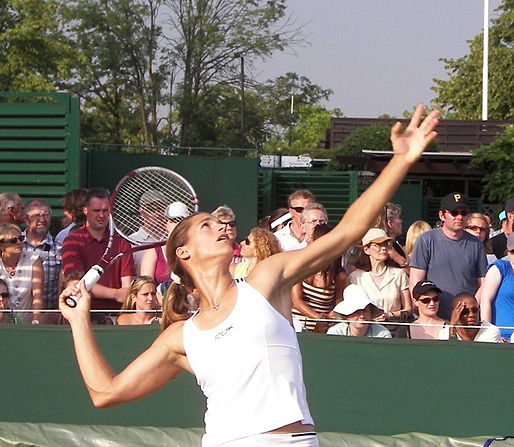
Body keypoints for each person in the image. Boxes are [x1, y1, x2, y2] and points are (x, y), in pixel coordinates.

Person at [58, 104, 439, 447]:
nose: (222, 226)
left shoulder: (266, 279)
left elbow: (346, 232)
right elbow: (104, 392)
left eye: (221, 222)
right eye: (207, 225)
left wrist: (400, 161)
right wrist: (78, 321)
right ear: (183, 252)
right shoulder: (180, 337)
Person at [409, 192, 487, 320]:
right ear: (442, 215)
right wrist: (425, 311)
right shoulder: (426, 240)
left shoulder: (476, 244)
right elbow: (416, 282)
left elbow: (483, 283)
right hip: (435, 315)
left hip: (465, 317)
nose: (459, 217)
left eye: (464, 212)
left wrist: (471, 308)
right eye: (454, 213)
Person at [62, 188, 135, 324]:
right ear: (85, 210)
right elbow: (77, 284)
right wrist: (115, 294)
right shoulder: (72, 241)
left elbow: (127, 289)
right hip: (84, 315)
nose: (101, 215)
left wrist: (120, 294)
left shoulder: (121, 244)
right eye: (96, 211)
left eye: (105, 211)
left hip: (116, 318)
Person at [348, 228, 412, 337]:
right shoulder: (356, 277)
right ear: (366, 250)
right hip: (367, 332)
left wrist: (388, 315)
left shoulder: (398, 274)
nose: (383, 248)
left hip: (394, 330)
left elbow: (408, 309)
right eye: (378, 245)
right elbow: (352, 309)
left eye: (386, 244)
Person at [0, 224, 43, 324]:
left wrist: (35, 322)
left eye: (21, 238)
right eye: (13, 240)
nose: (19, 242)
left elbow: (38, 294)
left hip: (27, 324)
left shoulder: (33, 260)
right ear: (1, 245)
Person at [292, 224, 347, 333]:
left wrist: (333, 315)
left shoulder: (338, 275)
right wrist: (318, 317)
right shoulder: (300, 266)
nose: (309, 241)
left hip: (324, 327)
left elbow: (338, 300)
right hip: (297, 324)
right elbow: (296, 301)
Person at [140, 201, 191, 298]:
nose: (178, 224)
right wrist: (164, 301)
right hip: (160, 309)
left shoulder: (196, 250)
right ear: (165, 223)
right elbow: (145, 288)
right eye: (174, 220)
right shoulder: (153, 251)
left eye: (181, 220)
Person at [22, 199, 62, 314]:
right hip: (19, 315)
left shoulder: (59, 249)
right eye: (36, 216)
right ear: (26, 219)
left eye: (46, 215)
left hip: (50, 316)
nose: (42, 219)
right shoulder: (15, 245)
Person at [479, 233, 514, 340]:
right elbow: (485, 300)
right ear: (508, 252)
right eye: (513, 252)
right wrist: (489, 333)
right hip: (501, 337)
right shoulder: (500, 268)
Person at [326, 284, 391, 338]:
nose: (362, 316)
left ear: (370, 313)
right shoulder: (335, 333)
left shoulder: (383, 334)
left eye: (365, 311)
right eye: (357, 311)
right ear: (347, 315)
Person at [376, 202, 407, 268]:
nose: (401, 221)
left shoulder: (397, 245)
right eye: (398, 218)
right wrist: (396, 256)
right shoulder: (379, 250)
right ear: (390, 223)